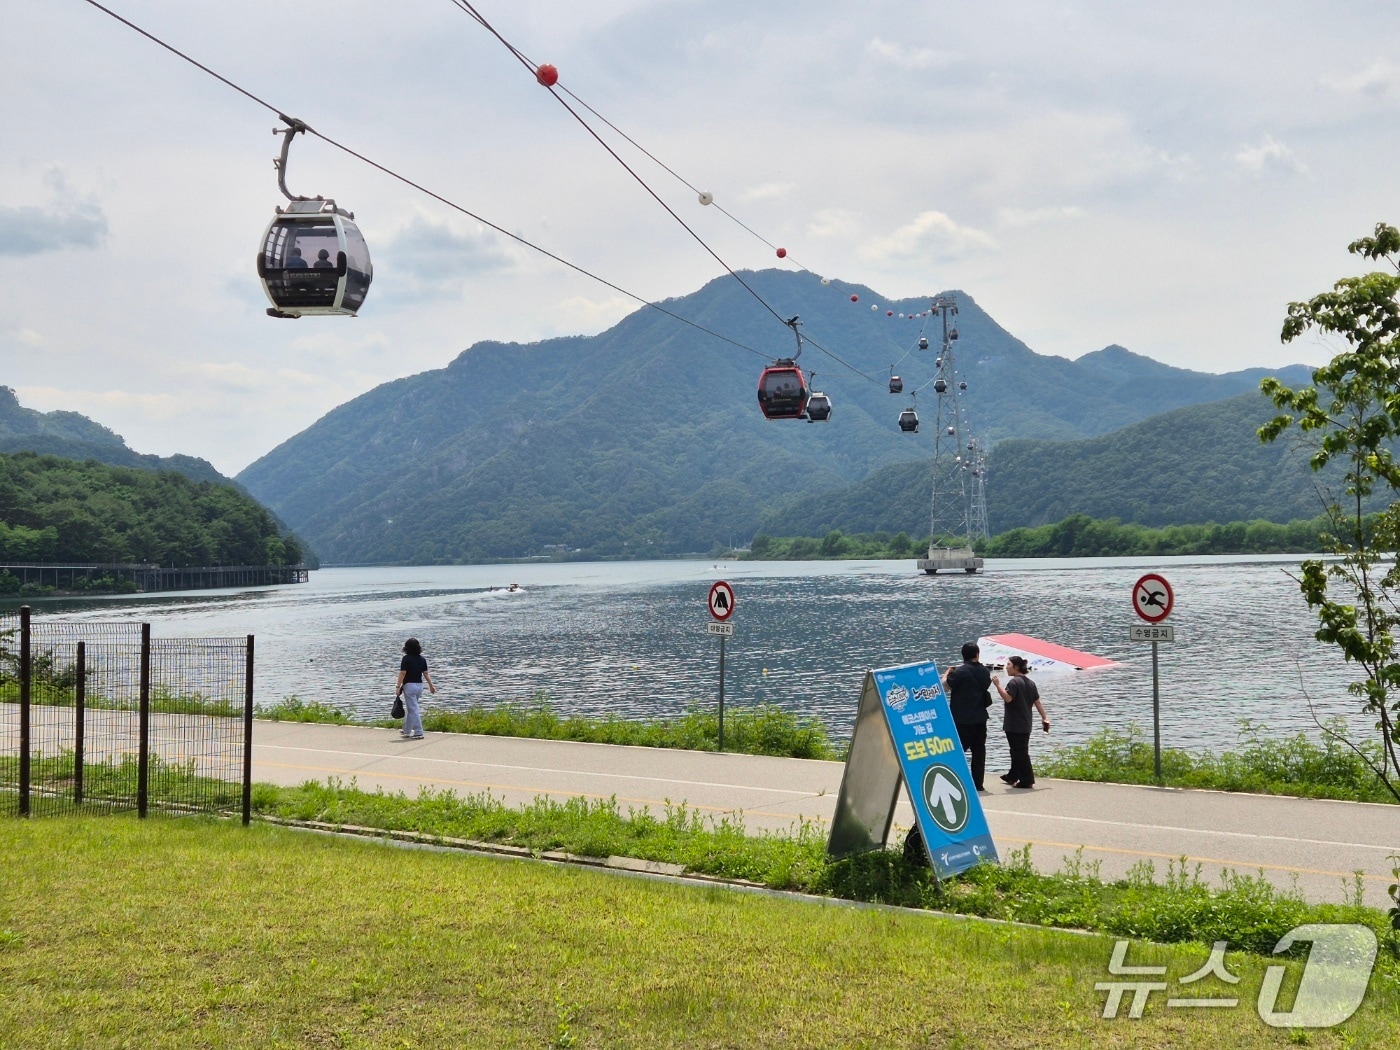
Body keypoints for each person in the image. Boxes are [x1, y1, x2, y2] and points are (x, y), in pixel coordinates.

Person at [992, 655, 1050, 788]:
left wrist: (998, 685)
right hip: (1026, 723)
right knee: (1018, 750)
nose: (1006, 667)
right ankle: (1012, 776)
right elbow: (1037, 702)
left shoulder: (1013, 683)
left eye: (1009, 665)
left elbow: (1008, 698)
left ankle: (1027, 779)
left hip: (1014, 724)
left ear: (1016, 667)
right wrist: (1044, 717)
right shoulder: (1030, 683)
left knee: (1020, 752)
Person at [943, 641, 992, 791]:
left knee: (958, 751)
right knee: (979, 752)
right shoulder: (985, 672)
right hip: (980, 717)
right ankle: (978, 784)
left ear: (963, 655)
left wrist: (947, 673)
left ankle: (956, 781)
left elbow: (944, 687)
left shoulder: (959, 673)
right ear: (977, 654)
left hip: (961, 718)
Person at [395, 637, 436, 740]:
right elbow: (426, 673)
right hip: (419, 686)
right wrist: (431, 685)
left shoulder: (406, 659)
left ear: (406, 648)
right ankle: (407, 730)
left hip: (409, 686)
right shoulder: (422, 659)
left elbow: (403, 673)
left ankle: (418, 732)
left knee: (413, 709)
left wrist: (398, 686)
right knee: (411, 708)